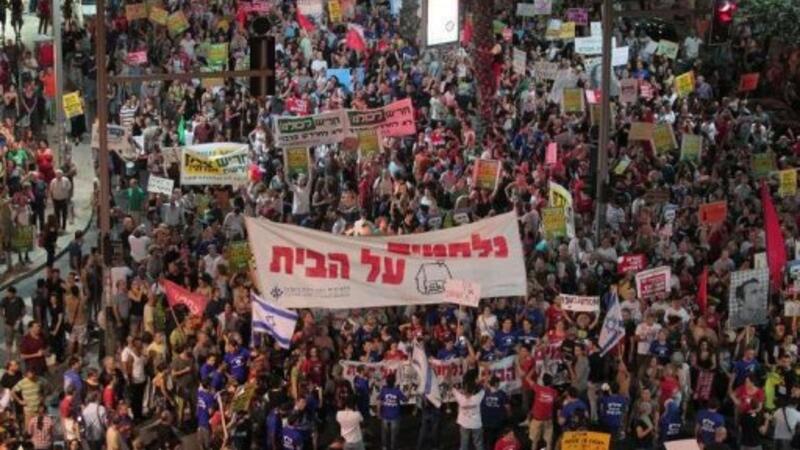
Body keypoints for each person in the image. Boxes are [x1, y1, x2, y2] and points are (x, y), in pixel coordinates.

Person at [453, 374, 485, 450]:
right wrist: (479, 382)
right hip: (476, 424)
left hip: (464, 424)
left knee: (464, 445)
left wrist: (450, 373)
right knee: (478, 445)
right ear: (473, 391)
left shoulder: (460, 398)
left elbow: (452, 387)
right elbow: (484, 387)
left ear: (465, 390)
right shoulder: (477, 397)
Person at [377, 374, 405, 450]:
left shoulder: (384, 390)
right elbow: (405, 399)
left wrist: (378, 413)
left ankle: (384, 447)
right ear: (394, 381)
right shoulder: (397, 391)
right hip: (395, 416)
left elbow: (379, 401)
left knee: (384, 433)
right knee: (394, 434)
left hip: (385, 415)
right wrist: (409, 389)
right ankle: (392, 447)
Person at [1, 286, 25, 357]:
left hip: (17, 324)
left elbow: (23, 310)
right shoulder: (4, 300)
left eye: (8, 293)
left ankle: (18, 357)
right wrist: (3, 317)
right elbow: (0, 308)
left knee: (19, 342)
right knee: (9, 342)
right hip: (8, 324)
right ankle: (9, 358)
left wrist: (20, 318)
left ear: (13, 293)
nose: (7, 294)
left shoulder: (19, 299)